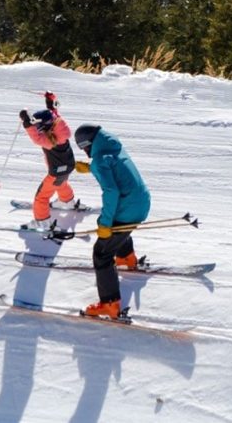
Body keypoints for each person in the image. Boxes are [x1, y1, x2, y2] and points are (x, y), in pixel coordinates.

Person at [74, 123, 151, 319]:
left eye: (83, 148)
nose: (84, 152)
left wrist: (105, 223)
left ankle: (110, 304)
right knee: (121, 230)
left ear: (87, 144)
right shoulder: (113, 146)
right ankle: (126, 258)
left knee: (102, 253)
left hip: (128, 207)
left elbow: (111, 192)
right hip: (141, 202)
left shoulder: (100, 160)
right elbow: (114, 168)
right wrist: (92, 168)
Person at [19, 91, 76, 233]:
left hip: (55, 172)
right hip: (68, 167)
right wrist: (50, 101)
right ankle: (67, 202)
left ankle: (42, 221)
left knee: (41, 197)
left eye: (39, 127)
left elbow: (35, 138)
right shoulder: (59, 126)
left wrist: (27, 122)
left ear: (44, 128)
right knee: (61, 183)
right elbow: (53, 114)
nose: (37, 129)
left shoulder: (49, 141)